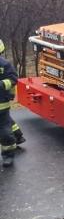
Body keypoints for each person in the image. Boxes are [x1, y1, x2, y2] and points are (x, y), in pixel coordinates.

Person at [0, 39, 18, 168]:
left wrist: (1, 84)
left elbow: (13, 79)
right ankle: (19, 136)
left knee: (5, 132)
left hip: (1, 105)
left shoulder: (4, 65)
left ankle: (8, 155)